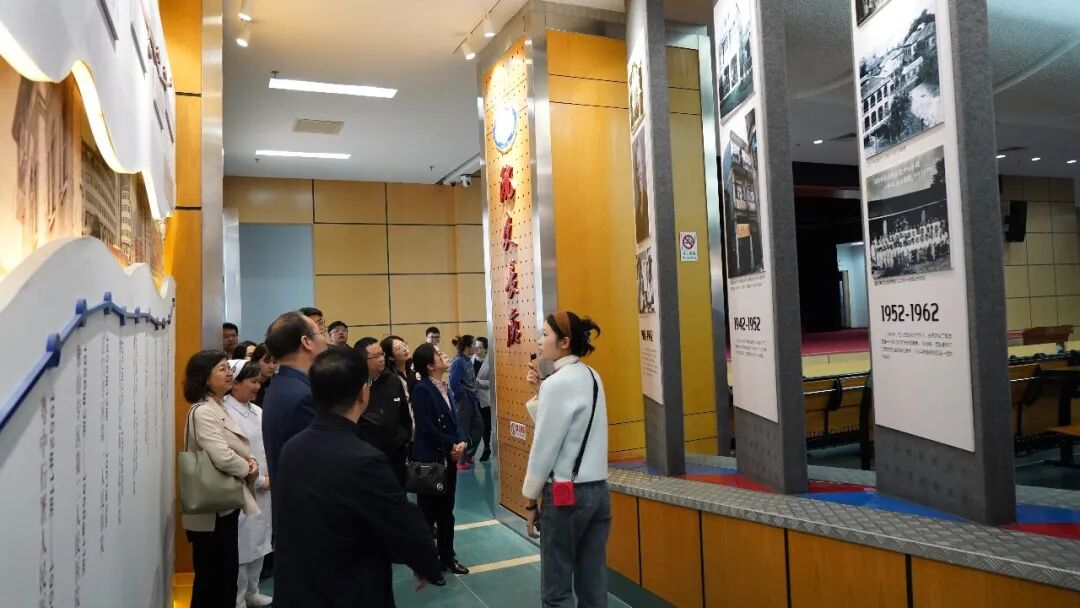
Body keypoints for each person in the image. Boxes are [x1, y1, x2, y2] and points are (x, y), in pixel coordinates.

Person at [273, 347, 444, 607]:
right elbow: (402, 521)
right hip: (347, 589)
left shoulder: (292, 449)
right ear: (363, 393)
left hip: (298, 586)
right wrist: (425, 563)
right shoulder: (364, 459)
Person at [523, 311, 609, 608]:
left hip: (565, 495)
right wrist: (539, 392)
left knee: (557, 588)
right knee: (593, 584)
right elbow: (572, 428)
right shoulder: (593, 376)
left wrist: (531, 501)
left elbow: (544, 448)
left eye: (545, 334)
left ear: (564, 342)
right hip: (598, 491)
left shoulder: (556, 384)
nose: (540, 340)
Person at [181, 350, 260, 608]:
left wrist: (249, 461)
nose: (229, 373)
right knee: (212, 580)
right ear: (205, 377)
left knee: (224, 577)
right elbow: (222, 456)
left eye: (229, 368)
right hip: (210, 510)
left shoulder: (218, 405)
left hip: (223, 505)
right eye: (222, 369)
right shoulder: (203, 411)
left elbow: (232, 448)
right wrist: (248, 468)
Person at [410, 343, 469, 575]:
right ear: (429, 365)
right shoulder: (422, 389)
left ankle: (447, 557)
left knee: (446, 512)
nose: (444, 355)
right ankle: (426, 564)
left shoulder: (445, 386)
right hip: (429, 460)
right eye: (438, 354)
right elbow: (425, 427)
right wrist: (451, 444)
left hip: (448, 458)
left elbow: (454, 421)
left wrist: (461, 442)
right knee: (427, 514)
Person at [223, 360, 273, 608]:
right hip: (243, 487)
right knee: (243, 546)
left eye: (258, 381)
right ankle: (238, 598)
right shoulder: (225, 412)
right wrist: (260, 479)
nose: (257, 386)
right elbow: (231, 453)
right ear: (235, 384)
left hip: (265, 488)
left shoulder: (257, 410)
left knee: (260, 542)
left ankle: (252, 591)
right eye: (252, 381)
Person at [262, 311, 328, 482]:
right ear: (306, 342)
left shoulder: (280, 385)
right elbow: (319, 463)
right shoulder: (302, 396)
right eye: (320, 333)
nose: (325, 339)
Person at [354, 337, 411, 486]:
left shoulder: (392, 380)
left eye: (382, 354)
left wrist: (404, 438)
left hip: (396, 455)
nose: (381, 359)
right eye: (375, 356)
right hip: (367, 457)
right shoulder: (354, 385)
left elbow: (404, 415)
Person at [449, 335, 484, 469]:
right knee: (463, 429)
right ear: (467, 347)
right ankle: (461, 459)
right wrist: (462, 395)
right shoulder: (458, 361)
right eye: (473, 345)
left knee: (478, 425)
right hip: (463, 399)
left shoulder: (467, 360)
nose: (475, 347)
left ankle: (467, 453)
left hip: (471, 398)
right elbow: (454, 382)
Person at [475, 345, 493, 462]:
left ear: (485, 349)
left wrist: (478, 382)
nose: (476, 350)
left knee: (486, 425)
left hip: (485, 399)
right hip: (472, 399)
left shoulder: (490, 362)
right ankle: (469, 453)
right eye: (475, 347)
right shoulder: (470, 360)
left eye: (479, 347)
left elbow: (492, 382)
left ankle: (486, 447)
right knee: (476, 426)